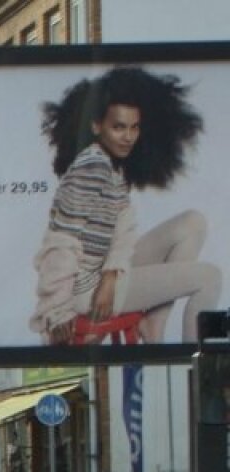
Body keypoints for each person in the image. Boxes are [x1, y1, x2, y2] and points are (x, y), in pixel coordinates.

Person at [31, 66, 220, 346]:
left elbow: (122, 233)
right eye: (118, 127)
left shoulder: (111, 168)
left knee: (193, 222)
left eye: (134, 127)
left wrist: (110, 275)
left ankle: (153, 323)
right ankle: (192, 366)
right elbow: (61, 242)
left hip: (102, 274)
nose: (128, 137)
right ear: (96, 126)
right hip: (85, 291)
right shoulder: (91, 168)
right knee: (210, 277)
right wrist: (58, 312)